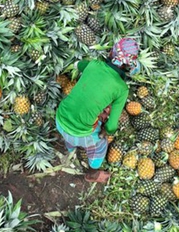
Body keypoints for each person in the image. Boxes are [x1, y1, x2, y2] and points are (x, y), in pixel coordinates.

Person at [55, 38, 140, 183]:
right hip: (80, 134)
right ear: (128, 66)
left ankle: (70, 149)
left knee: (71, 133)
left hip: (59, 119)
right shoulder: (122, 89)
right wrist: (106, 132)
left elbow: (78, 65)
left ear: (111, 53)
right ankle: (93, 174)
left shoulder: (94, 64)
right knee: (100, 144)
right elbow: (112, 126)